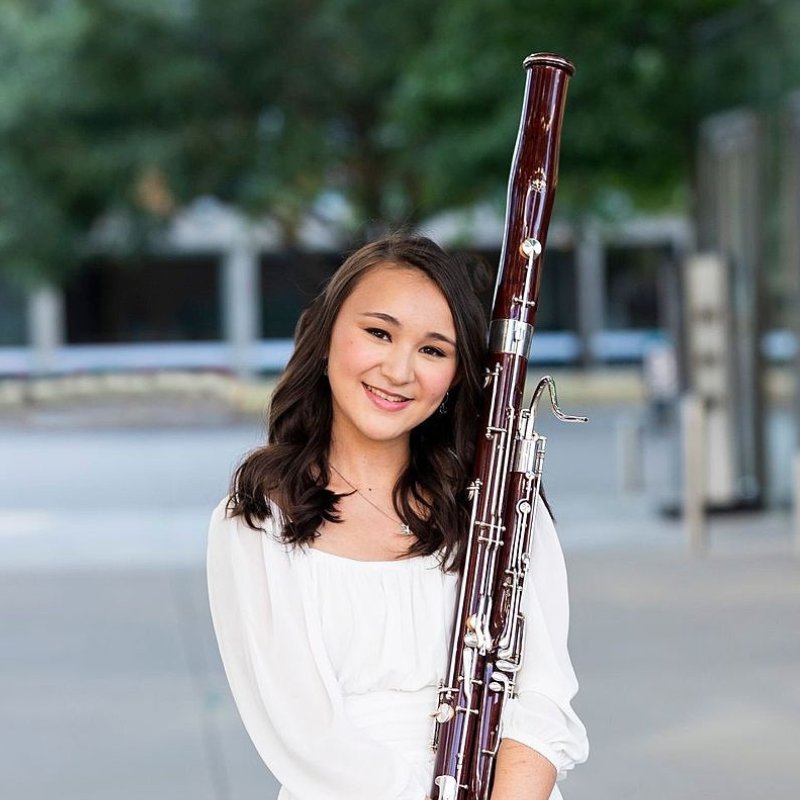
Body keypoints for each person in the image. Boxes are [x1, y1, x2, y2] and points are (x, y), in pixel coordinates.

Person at [206, 234, 588, 800]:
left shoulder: (503, 501)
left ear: (457, 375)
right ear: (327, 333)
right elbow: (303, 736)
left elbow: (543, 699)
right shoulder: (258, 518)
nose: (399, 369)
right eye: (379, 333)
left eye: (434, 350)